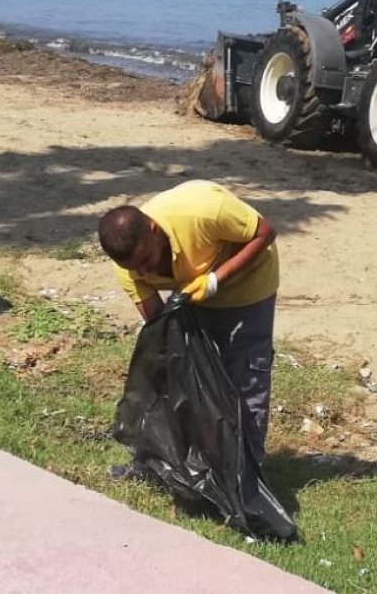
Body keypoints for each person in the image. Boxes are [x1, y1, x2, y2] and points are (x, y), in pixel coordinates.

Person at [98, 180, 279, 461]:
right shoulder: (130, 267)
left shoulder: (204, 209)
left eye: (146, 259)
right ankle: (199, 461)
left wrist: (215, 280)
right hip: (194, 294)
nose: (144, 271)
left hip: (248, 287)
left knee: (246, 374)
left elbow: (265, 233)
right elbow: (159, 324)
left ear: (153, 230)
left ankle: (248, 473)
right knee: (190, 375)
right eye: (135, 268)